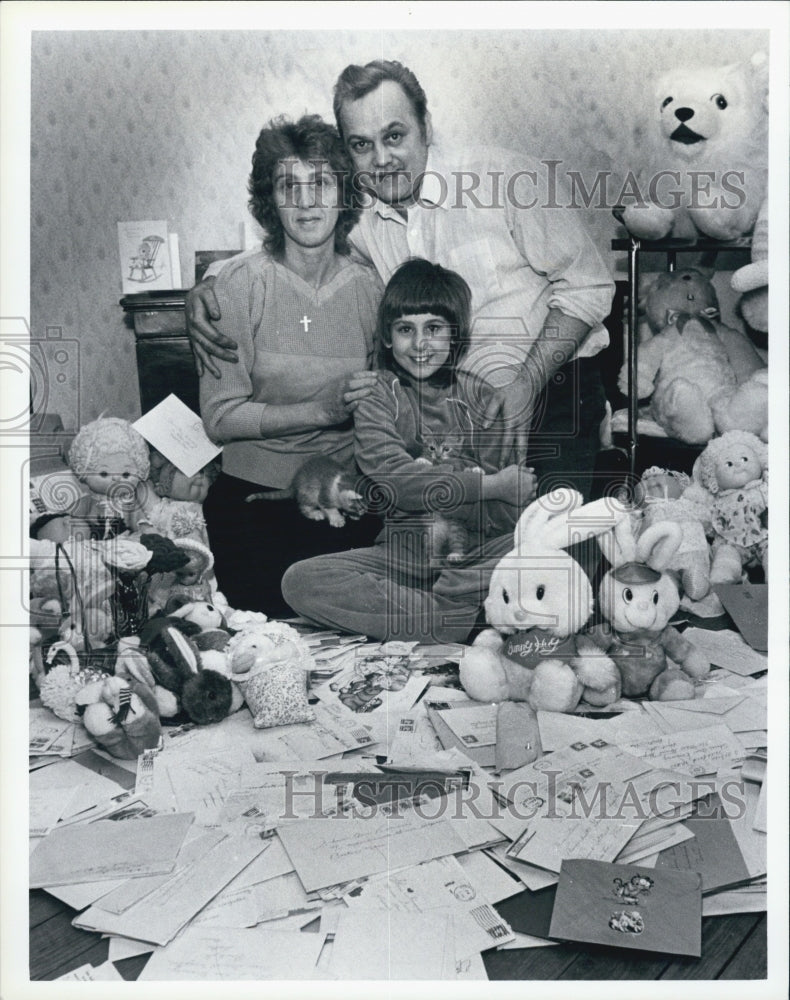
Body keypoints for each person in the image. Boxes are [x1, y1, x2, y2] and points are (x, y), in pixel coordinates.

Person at [187, 59, 615, 501]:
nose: (382, 159)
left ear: (425, 126)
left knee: (549, 551)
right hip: (448, 410)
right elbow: (293, 239)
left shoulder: (504, 179)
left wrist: (525, 383)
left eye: (394, 136)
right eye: (361, 145)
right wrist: (209, 285)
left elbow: (589, 286)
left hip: (550, 386)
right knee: (450, 555)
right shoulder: (363, 218)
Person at [280, 259, 537, 644]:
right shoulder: (376, 396)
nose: (420, 344)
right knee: (300, 581)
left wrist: (494, 493)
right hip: (403, 557)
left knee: (560, 539)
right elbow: (397, 482)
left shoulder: (484, 398)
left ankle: (442, 609)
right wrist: (486, 486)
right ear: (387, 337)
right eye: (405, 330)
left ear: (456, 335)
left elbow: (508, 508)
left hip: (472, 559)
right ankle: (458, 616)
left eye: (434, 328)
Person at [199, 114, 383, 617]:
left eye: (321, 183)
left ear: (345, 193)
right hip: (254, 503)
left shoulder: (370, 288)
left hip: (344, 501)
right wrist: (319, 411)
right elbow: (219, 418)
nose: (306, 202)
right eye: (289, 185)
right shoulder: (237, 285)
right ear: (269, 199)